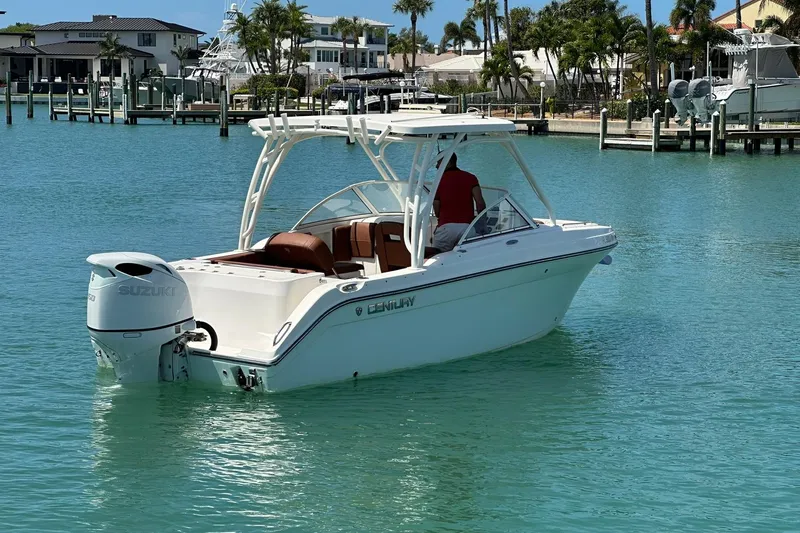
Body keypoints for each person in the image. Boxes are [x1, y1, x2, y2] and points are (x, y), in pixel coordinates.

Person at [432, 153, 486, 251]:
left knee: (438, 258)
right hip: (466, 229)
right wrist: (482, 225)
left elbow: (436, 208)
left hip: (445, 229)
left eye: (438, 162)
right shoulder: (471, 178)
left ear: (447, 163)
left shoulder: (438, 181)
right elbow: (480, 204)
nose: (436, 166)